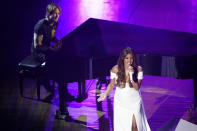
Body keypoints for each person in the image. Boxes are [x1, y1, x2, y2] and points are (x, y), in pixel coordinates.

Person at [31, 3, 72, 120]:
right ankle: (53, 82)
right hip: (39, 52)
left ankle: (62, 89)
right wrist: (51, 49)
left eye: (58, 14)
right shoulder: (40, 26)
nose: (57, 16)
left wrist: (57, 41)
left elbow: (51, 36)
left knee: (62, 56)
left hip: (47, 49)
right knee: (53, 61)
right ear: (48, 14)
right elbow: (37, 45)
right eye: (55, 14)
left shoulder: (55, 23)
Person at [97, 47, 151, 131]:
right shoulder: (115, 69)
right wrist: (105, 93)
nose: (129, 61)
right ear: (123, 58)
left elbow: (137, 88)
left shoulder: (138, 69)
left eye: (131, 58)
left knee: (135, 126)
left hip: (135, 100)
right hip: (121, 101)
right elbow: (111, 85)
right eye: (127, 58)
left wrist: (132, 75)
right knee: (125, 127)